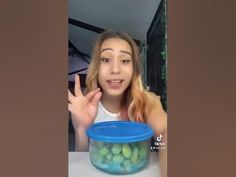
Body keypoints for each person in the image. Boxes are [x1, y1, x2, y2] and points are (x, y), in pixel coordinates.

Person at [68, 30, 167, 177]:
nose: (115, 70)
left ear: (134, 70)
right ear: (96, 67)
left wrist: (160, 145)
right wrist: (81, 129)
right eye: (106, 59)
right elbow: (83, 162)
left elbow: (166, 133)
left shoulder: (147, 101)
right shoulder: (84, 105)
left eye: (125, 61)